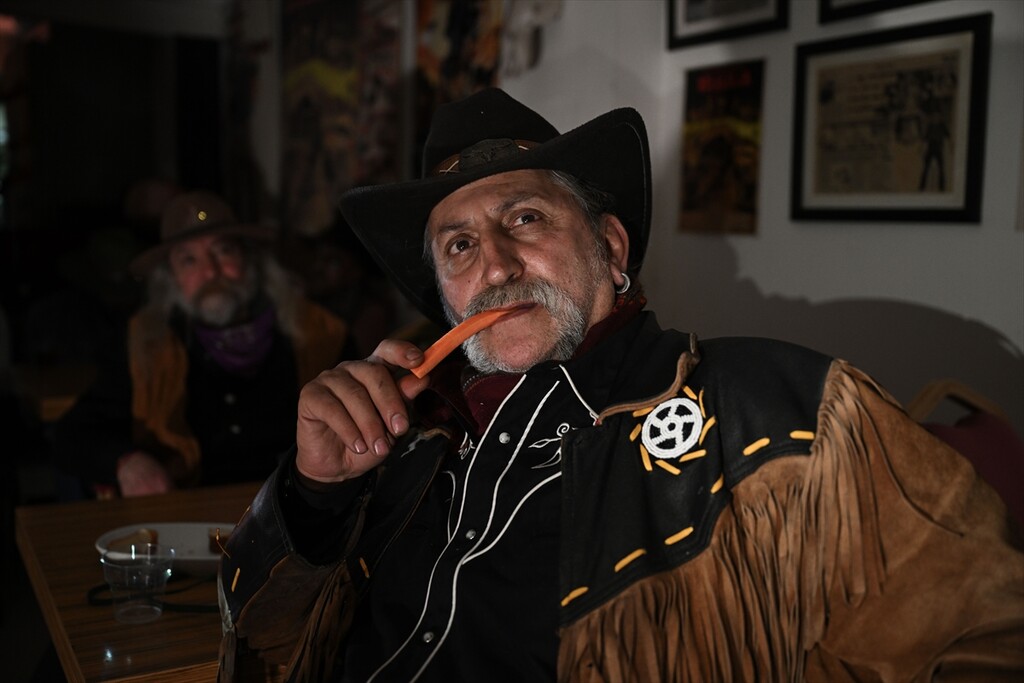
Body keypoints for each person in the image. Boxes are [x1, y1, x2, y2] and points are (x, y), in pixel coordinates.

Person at [217, 89, 1023, 682]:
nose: (494, 266)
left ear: (610, 248)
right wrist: (315, 492)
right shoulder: (407, 439)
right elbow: (258, 647)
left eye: (525, 218)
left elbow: (985, 638)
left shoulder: (777, 405)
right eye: (459, 246)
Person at [52, 190, 353, 498]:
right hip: (189, 512)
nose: (210, 271)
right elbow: (72, 433)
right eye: (189, 260)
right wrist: (128, 463)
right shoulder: (147, 343)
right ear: (172, 277)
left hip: (298, 507)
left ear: (249, 258)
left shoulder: (320, 332)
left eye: (223, 251)